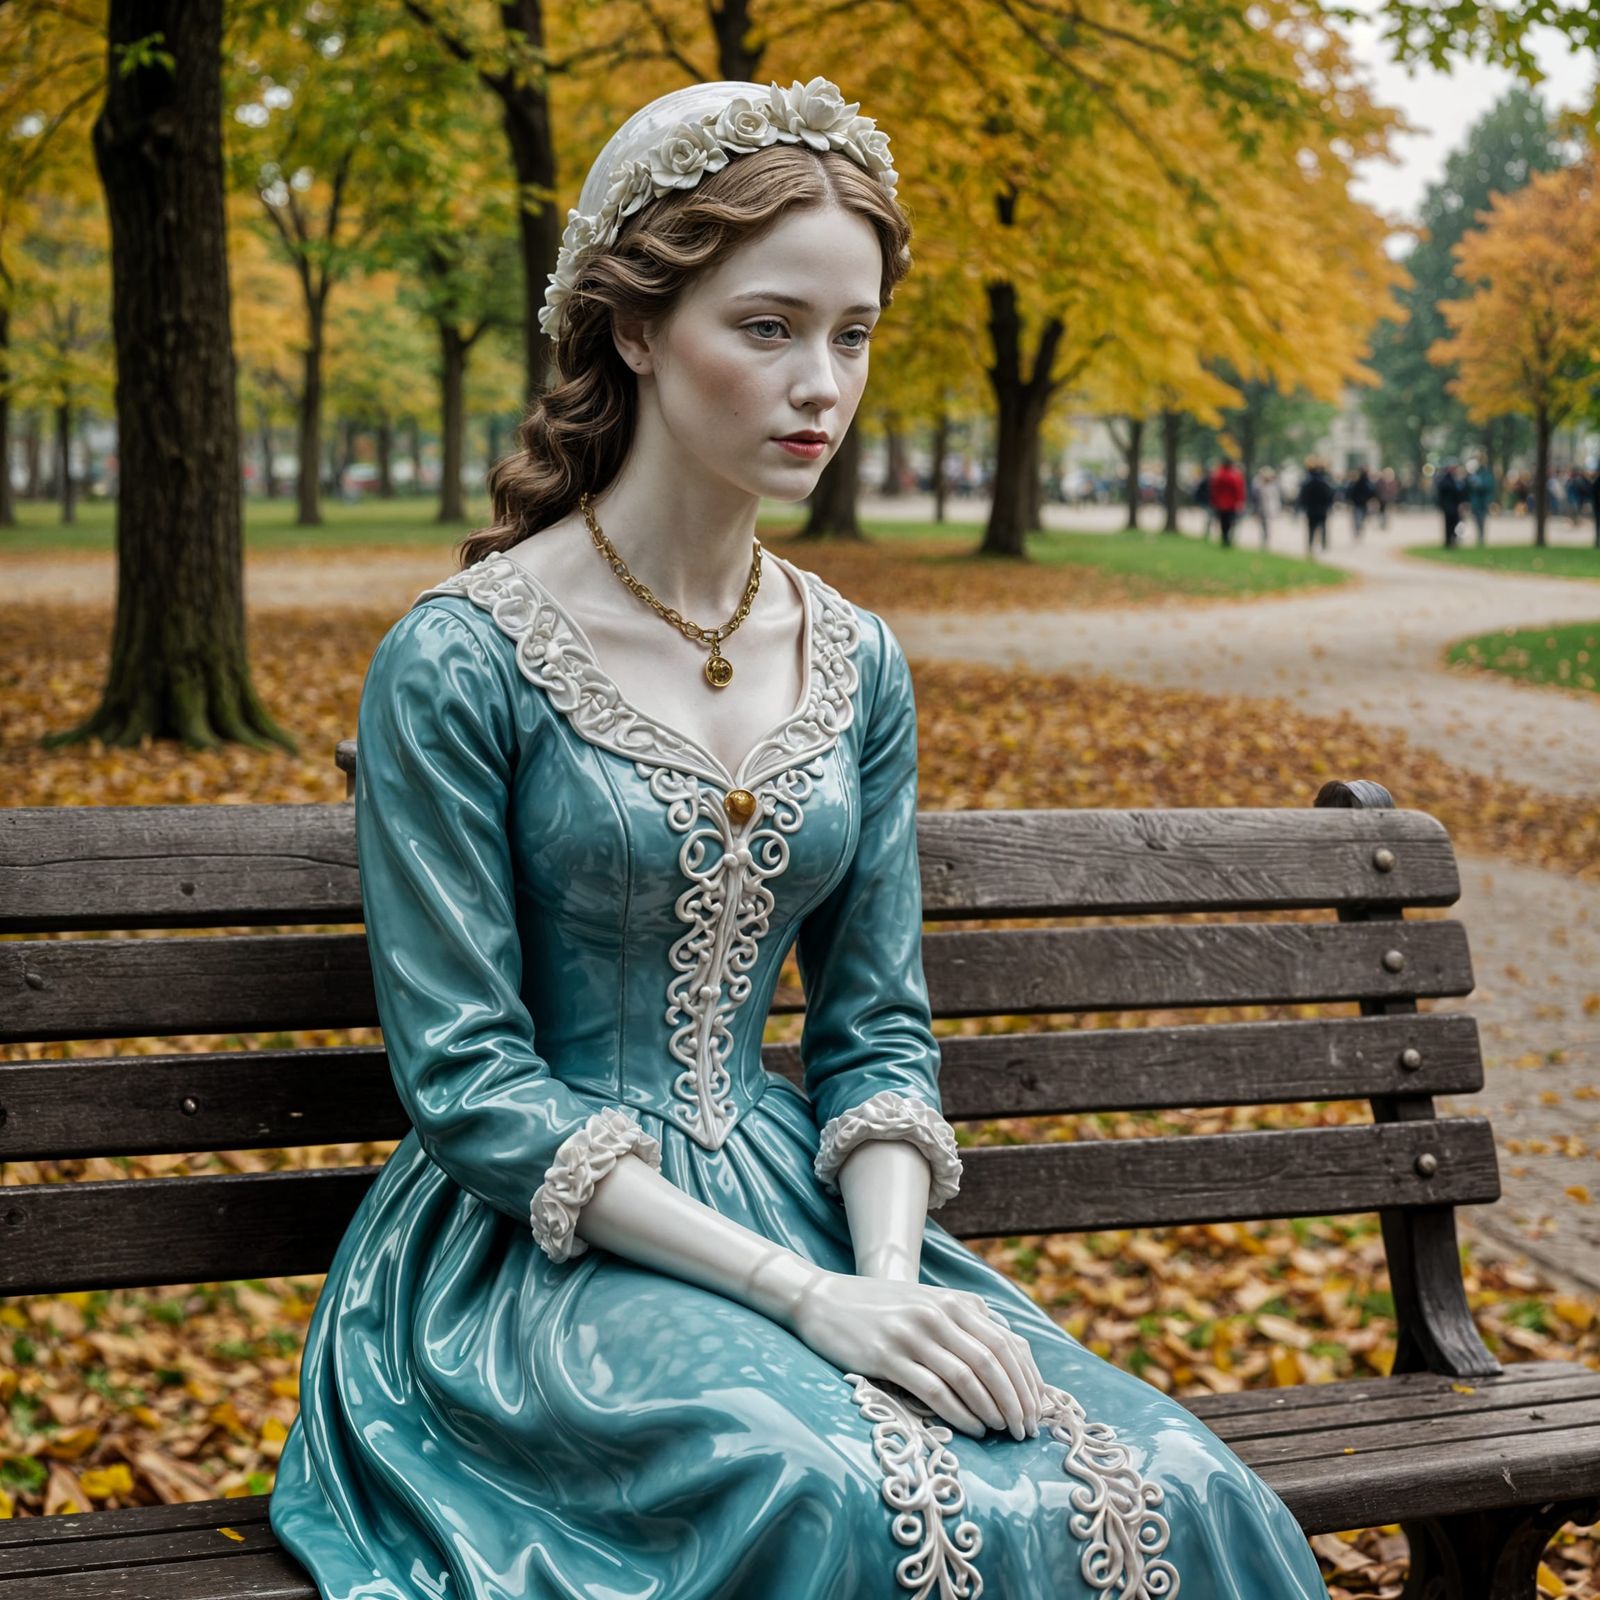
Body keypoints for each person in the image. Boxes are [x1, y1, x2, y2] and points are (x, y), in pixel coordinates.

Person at [267, 76, 1330, 1600]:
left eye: (852, 335)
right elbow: (470, 1083)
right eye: (767, 328)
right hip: (538, 1257)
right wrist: (811, 1308)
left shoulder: (857, 658)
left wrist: (884, 1293)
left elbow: (878, 1034)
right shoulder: (461, 657)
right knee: (827, 1485)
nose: (821, 385)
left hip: (815, 1215)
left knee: (1166, 1477)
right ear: (633, 327)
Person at [1296, 457, 1335, 555]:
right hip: (1322, 509)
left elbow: (1302, 496)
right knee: (1323, 527)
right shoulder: (1325, 481)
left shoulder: (1308, 481)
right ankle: (1323, 545)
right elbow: (1330, 495)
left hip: (1312, 509)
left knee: (1311, 528)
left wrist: (1301, 507)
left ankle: (1310, 545)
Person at [1207, 456, 1246, 546]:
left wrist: (1214, 500)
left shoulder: (1218, 475)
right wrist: (1240, 500)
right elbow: (1238, 489)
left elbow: (1214, 489)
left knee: (1223, 522)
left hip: (1220, 503)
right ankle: (1227, 538)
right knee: (1230, 522)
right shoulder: (1234, 475)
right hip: (1231, 504)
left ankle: (1225, 538)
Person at [1466, 458, 1496, 546]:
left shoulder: (1486, 475)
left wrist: (1478, 483)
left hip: (1482, 502)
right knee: (1476, 520)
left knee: (1482, 520)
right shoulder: (1474, 474)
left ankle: (1481, 537)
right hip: (1475, 503)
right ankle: (1480, 537)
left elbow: (1488, 487)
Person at [1436, 462, 1466, 548]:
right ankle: (1448, 542)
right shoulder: (1446, 480)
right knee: (1449, 525)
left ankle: (1454, 540)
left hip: (1454, 506)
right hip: (1449, 506)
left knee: (1455, 524)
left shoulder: (1457, 479)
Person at [1252, 464, 1281, 545]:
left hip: (1269, 508)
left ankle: (1266, 539)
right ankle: (1264, 539)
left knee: (1266, 525)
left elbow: (1275, 499)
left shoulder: (1272, 486)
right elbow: (1256, 499)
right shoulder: (1259, 486)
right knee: (1263, 525)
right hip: (1262, 508)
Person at [1348, 465, 1376, 538]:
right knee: (1360, 517)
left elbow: (1351, 491)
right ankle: (1359, 528)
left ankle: (1358, 528)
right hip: (1361, 503)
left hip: (1359, 503)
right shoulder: (1365, 482)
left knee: (1358, 517)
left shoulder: (1357, 481)